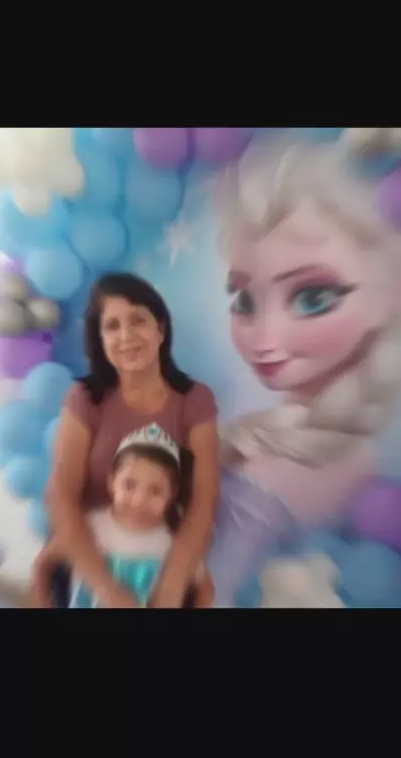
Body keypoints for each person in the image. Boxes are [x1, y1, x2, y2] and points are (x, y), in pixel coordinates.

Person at [207, 132, 401, 606]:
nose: (264, 338)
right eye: (244, 299)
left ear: (390, 292)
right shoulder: (290, 432)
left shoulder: (305, 468)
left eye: (313, 297)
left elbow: (212, 589)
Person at [32, 272, 219, 608]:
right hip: (89, 560)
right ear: (100, 339)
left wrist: (172, 584)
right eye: (112, 326)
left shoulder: (195, 400)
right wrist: (106, 588)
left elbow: (203, 501)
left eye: (138, 321)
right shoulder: (85, 399)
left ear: (160, 329)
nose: (126, 336)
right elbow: (61, 495)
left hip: (161, 560)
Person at [32, 425, 214, 607]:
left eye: (156, 491)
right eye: (129, 485)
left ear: (172, 494)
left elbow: (205, 587)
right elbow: (44, 563)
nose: (139, 501)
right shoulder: (90, 526)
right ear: (111, 481)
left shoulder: (172, 541)